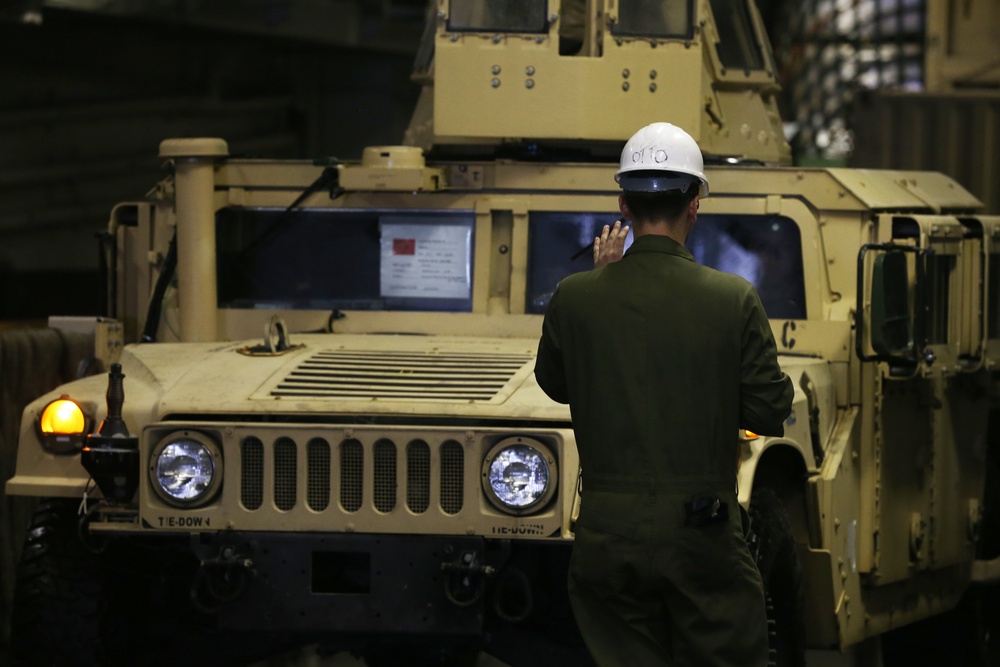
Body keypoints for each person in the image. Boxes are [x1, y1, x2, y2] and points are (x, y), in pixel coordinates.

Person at [534, 122, 793, 666]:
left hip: (606, 535)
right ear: (694, 202)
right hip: (701, 535)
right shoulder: (733, 299)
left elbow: (557, 383)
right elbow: (770, 409)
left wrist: (602, 283)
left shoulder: (575, 298)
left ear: (623, 204)